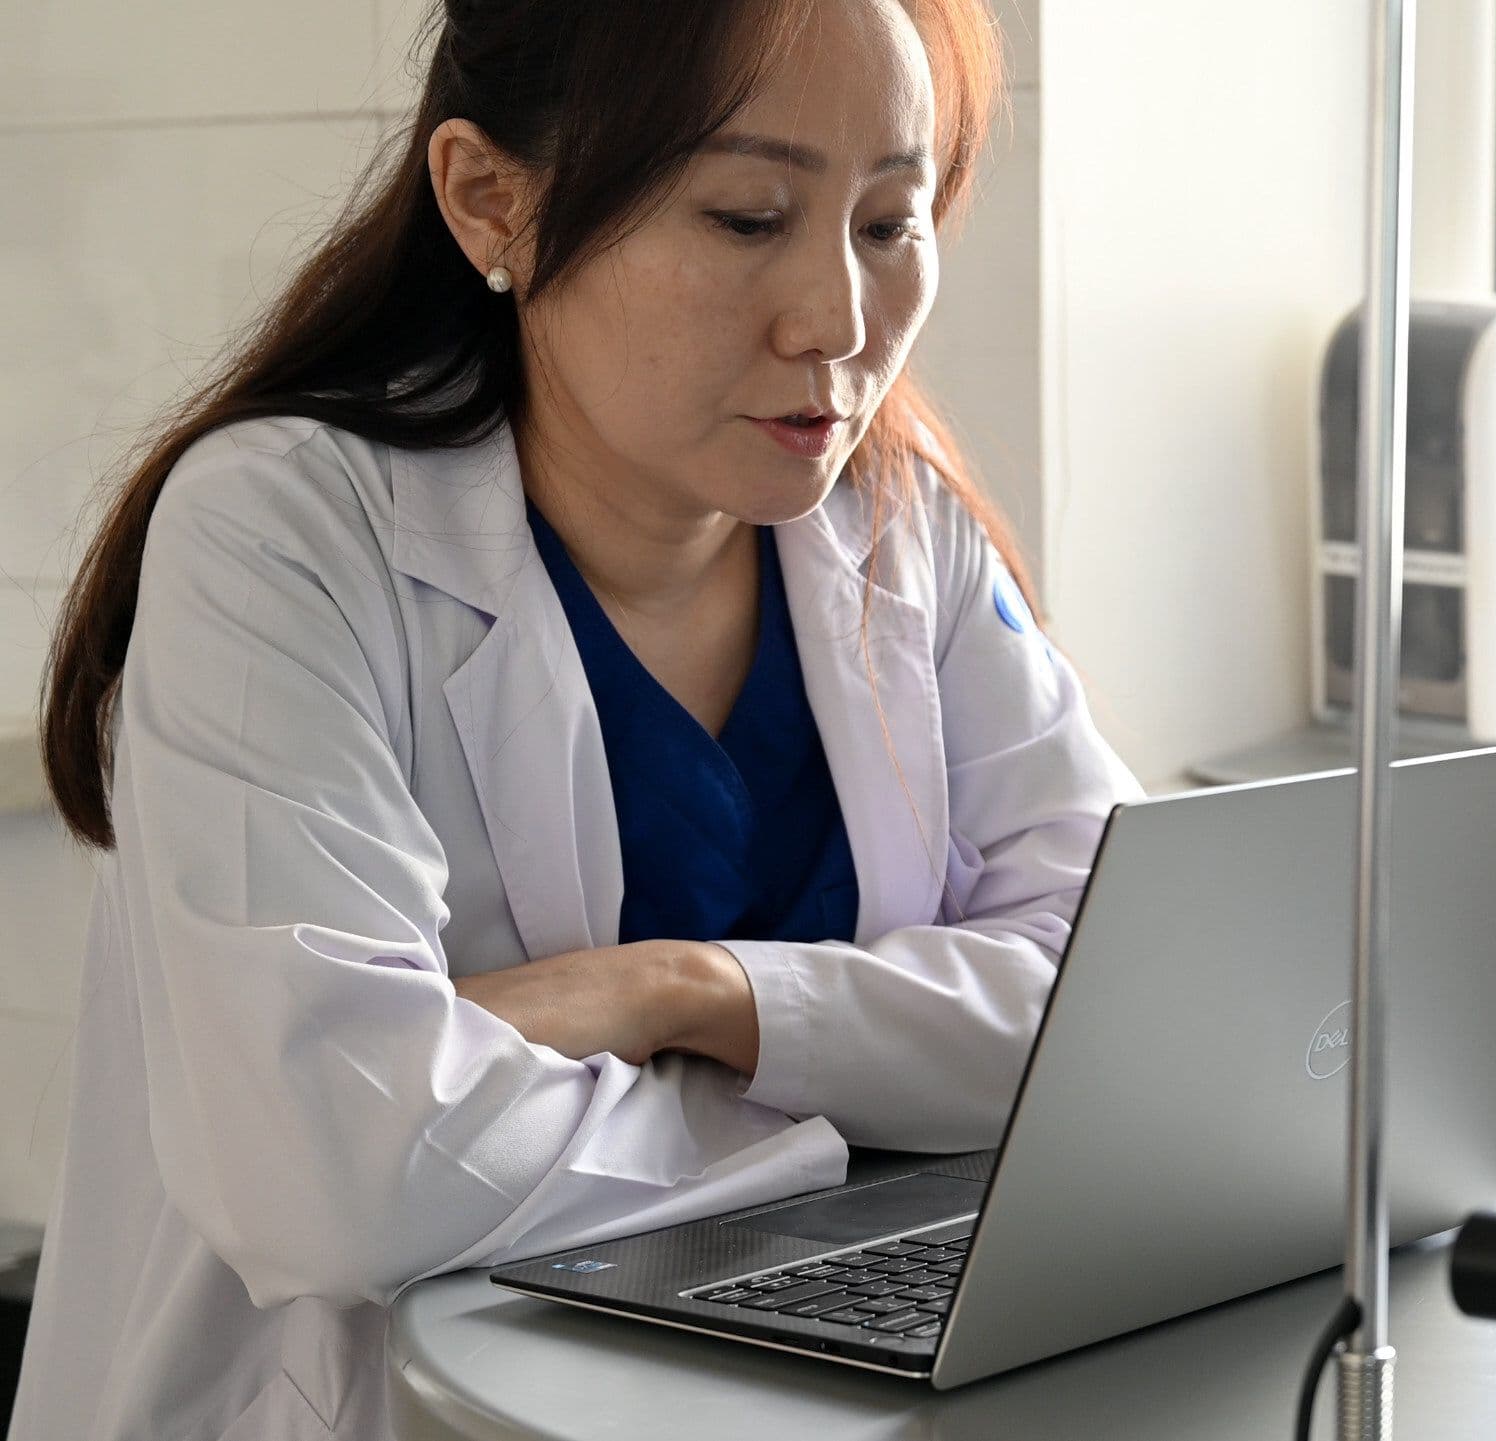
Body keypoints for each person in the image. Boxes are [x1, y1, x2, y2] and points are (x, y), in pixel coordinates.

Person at [10, 1, 1138, 1436]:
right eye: (746, 217)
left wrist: (691, 995)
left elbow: (1130, 1011)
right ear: (495, 202)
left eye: (889, 222)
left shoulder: (898, 533)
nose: (840, 323)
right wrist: (892, 1095)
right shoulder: (286, 532)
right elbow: (343, 1171)